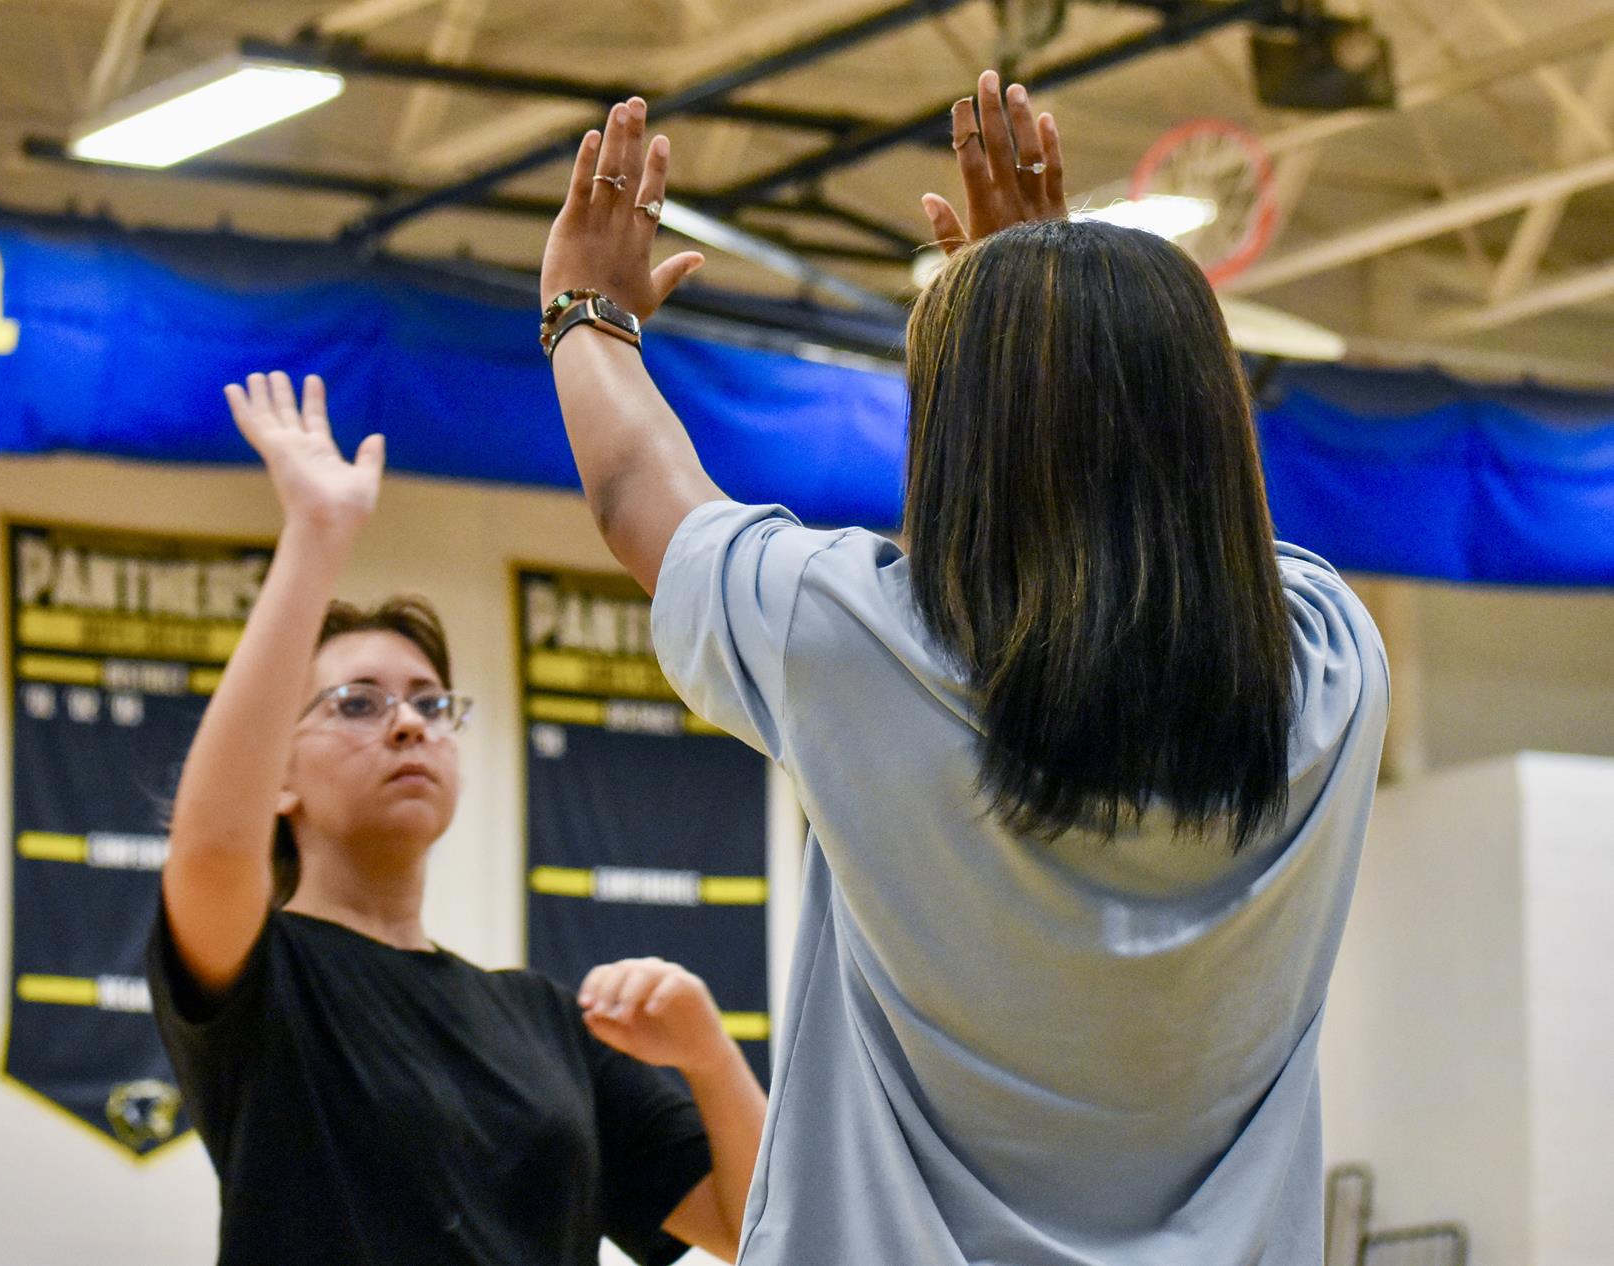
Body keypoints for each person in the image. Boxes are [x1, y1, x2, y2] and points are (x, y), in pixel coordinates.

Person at [537, 73, 1389, 1265]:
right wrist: (1049, 296)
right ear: (1213, 416)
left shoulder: (850, 638)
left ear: (958, 437)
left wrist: (587, 312)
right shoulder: (1333, 664)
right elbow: (1182, 520)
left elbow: (641, 499)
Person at [150, 371, 767, 1266]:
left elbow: (755, 1230)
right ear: (278, 775)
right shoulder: (266, 982)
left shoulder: (549, 1024)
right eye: (357, 704)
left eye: (431, 705)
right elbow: (209, 847)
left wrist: (710, 1057)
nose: (407, 722)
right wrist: (317, 537)